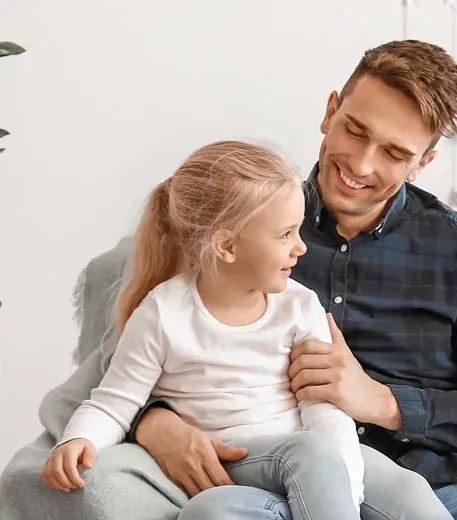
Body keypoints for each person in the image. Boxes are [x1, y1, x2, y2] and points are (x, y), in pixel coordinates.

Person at [0, 40, 457, 520]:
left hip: (442, 480)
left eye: (394, 153)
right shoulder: (240, 222)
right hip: (269, 476)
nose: (361, 166)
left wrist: (385, 403)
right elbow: (131, 367)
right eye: (356, 131)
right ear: (330, 109)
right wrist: (156, 421)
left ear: (424, 162)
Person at [40, 140, 380, 519]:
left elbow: (324, 409)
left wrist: (345, 489)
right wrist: (77, 439)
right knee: (308, 455)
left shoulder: (299, 306)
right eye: (285, 234)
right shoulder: (163, 314)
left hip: (310, 460)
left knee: (390, 483)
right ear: (227, 246)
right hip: (234, 459)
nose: (300, 248)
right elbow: (114, 402)